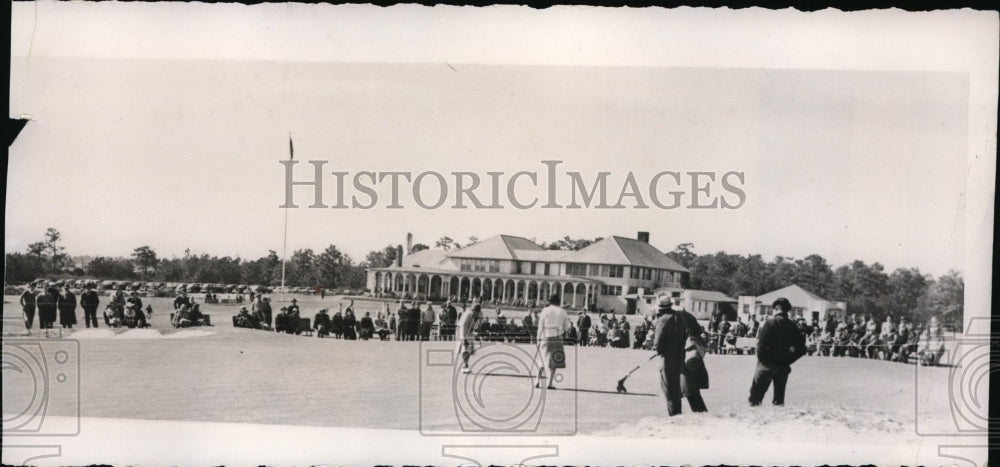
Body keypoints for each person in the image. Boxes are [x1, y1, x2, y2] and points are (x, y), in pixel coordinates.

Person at [749, 297, 807, 407]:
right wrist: (789, 360)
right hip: (783, 366)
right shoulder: (792, 326)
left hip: (766, 365)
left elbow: (760, 347)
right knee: (778, 401)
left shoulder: (770, 323)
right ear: (787, 310)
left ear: (775, 309)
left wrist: (764, 361)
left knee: (755, 398)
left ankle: (754, 421)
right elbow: (801, 349)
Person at [653, 296, 688, 415]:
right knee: (676, 388)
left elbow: (657, 343)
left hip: (667, 358)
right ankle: (678, 414)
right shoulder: (679, 316)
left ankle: (674, 416)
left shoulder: (662, 319)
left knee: (669, 389)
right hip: (680, 356)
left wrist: (657, 349)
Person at [535, 294, 570, 389]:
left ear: (550, 301)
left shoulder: (545, 310)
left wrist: (538, 339)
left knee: (542, 359)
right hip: (557, 337)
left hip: (545, 336)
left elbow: (540, 326)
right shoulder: (563, 312)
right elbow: (566, 327)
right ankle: (549, 383)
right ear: (558, 302)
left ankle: (537, 380)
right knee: (554, 361)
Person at [456, 304, 484, 373]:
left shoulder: (477, 314)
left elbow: (476, 325)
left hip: (469, 332)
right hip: (461, 331)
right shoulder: (467, 315)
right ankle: (464, 366)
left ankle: (465, 365)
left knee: (468, 349)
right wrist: (463, 338)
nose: (478, 314)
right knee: (464, 348)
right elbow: (463, 326)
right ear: (473, 310)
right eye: (477, 312)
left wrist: (476, 334)